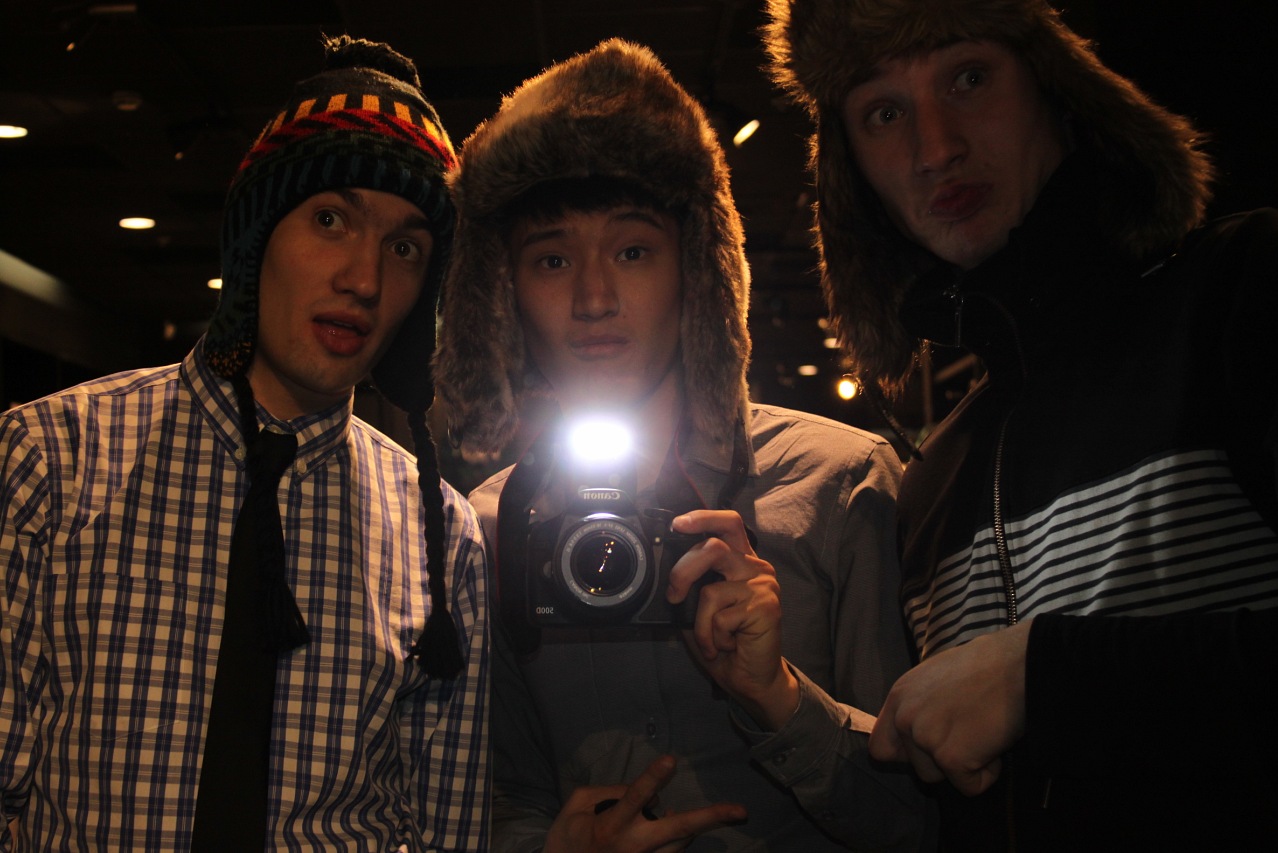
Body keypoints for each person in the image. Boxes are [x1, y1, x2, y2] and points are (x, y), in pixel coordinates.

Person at [764, 0, 1278, 848]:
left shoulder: (1242, 294)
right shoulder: (931, 483)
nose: (936, 147)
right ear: (851, 170)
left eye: (968, 77)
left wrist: (1044, 677)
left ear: (1054, 82)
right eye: (884, 113)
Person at [434, 38, 933, 852]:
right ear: (505, 292)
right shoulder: (488, 526)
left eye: (633, 251)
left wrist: (779, 696)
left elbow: (924, 820)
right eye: (552, 258)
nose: (594, 297)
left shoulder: (839, 483)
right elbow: (504, 796)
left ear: (695, 268)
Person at [0, 35, 488, 851]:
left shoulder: (442, 534)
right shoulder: (53, 456)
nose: (364, 279)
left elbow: (448, 830)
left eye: (404, 247)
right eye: (330, 219)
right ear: (257, 234)